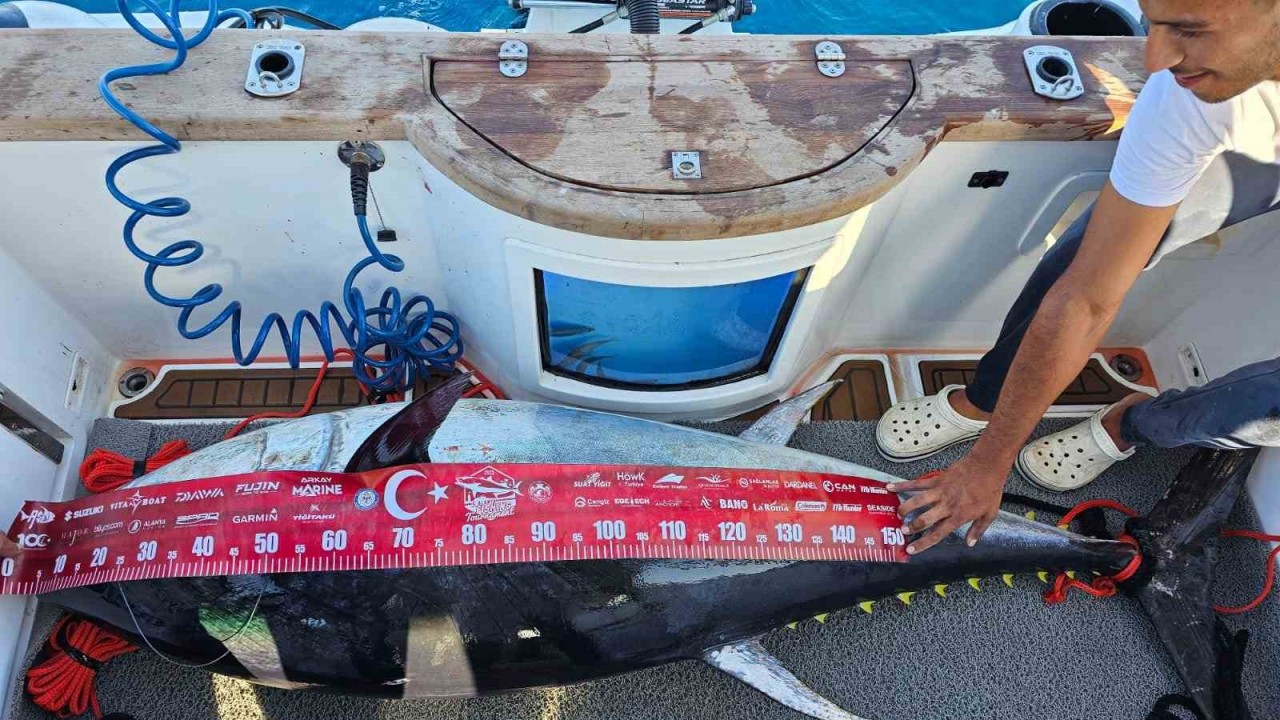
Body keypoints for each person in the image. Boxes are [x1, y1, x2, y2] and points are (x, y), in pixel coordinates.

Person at [878, 0, 1280, 555]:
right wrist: (989, 462)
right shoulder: (1181, 94)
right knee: (1080, 262)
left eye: (1189, 30)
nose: (1154, 58)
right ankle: (986, 398)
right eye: (1153, 23)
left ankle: (1129, 424)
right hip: (1247, 136)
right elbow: (1085, 298)